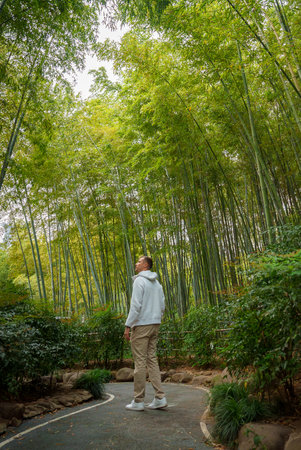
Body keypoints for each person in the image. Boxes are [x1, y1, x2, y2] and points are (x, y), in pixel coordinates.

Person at [124, 255, 167, 411]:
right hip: (155, 324)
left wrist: (128, 325)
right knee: (152, 360)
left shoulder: (139, 281)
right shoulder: (157, 284)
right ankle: (160, 397)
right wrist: (156, 318)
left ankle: (138, 400)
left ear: (146, 266)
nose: (136, 263)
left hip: (141, 324)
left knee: (140, 362)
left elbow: (135, 306)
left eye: (139, 261)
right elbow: (162, 305)